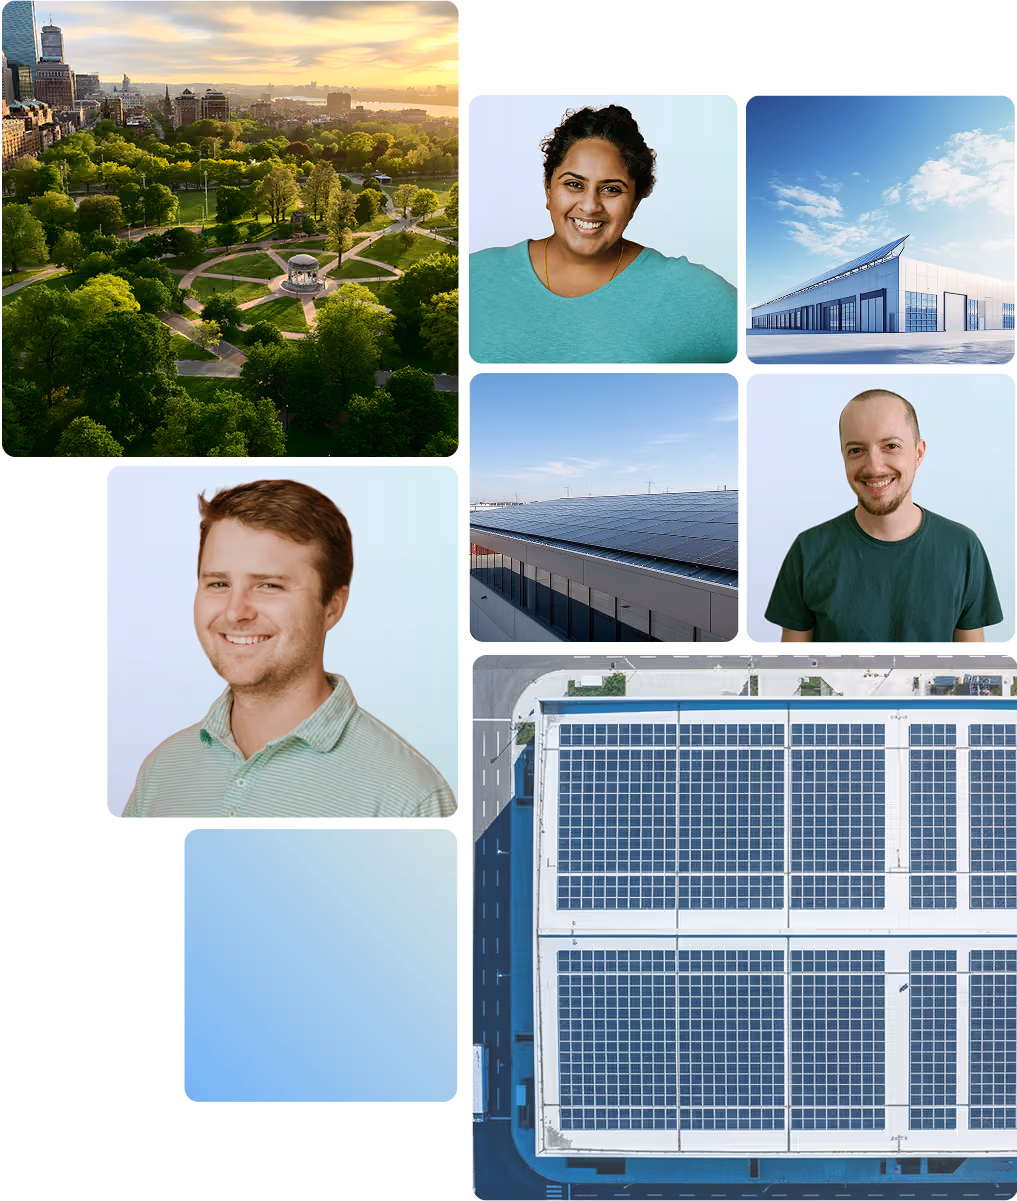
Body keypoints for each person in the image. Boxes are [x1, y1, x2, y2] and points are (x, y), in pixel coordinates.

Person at [122, 479, 456, 818]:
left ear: (332, 606)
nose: (236, 612)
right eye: (218, 584)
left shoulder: (409, 801)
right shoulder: (161, 771)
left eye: (269, 585)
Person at [469, 104, 737, 364]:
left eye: (611, 189)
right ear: (548, 190)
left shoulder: (687, 292)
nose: (589, 206)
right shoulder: (476, 274)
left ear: (635, 202)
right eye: (574, 184)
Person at [764, 389, 1002, 644]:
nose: (875, 467)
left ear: (918, 453)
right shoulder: (808, 550)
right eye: (856, 450)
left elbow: (970, 667)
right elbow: (793, 668)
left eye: (891, 446)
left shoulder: (963, 547)